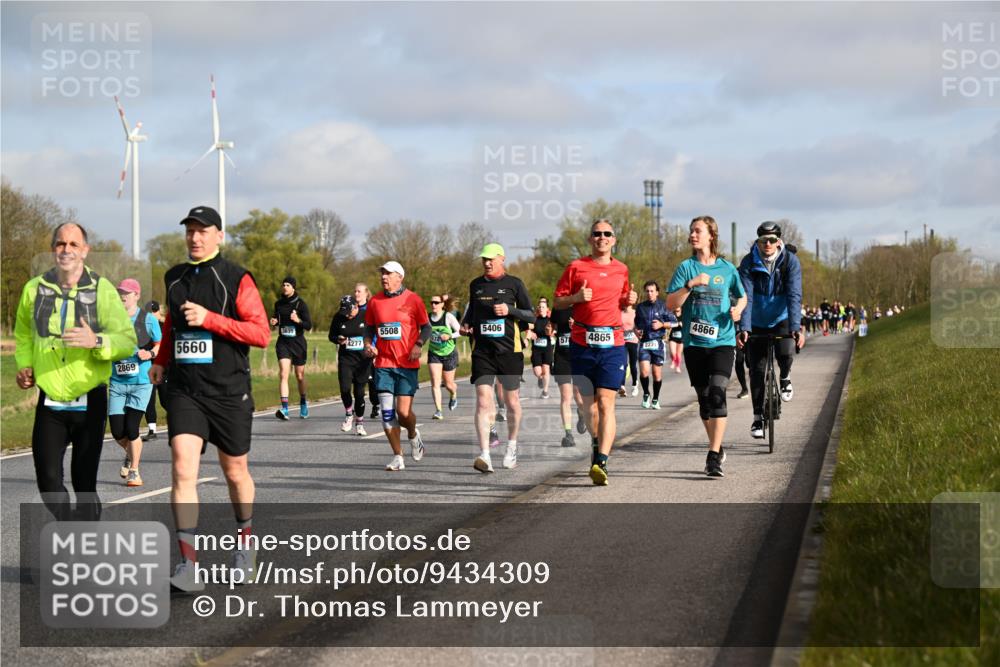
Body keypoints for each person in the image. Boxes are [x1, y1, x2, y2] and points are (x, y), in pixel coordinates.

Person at [150, 205, 270, 592]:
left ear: (219, 235)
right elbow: (171, 326)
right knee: (183, 468)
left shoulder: (236, 277)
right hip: (185, 390)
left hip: (228, 391)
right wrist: (161, 361)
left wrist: (211, 319)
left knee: (235, 472)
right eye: (190, 230)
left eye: (203, 231)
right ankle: (188, 565)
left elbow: (261, 333)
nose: (195, 237)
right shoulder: (174, 277)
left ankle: (245, 547)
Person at [14, 222, 136, 520]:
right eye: (60, 244)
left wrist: (96, 340)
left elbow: (126, 341)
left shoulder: (102, 289)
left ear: (85, 250)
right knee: (49, 483)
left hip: (89, 399)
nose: (66, 250)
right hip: (51, 399)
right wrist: (24, 366)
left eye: (72, 244)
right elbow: (24, 336)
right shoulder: (34, 289)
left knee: (83, 484)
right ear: (53, 248)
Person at [553, 218, 638, 486]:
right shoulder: (576, 267)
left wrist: (629, 300)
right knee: (588, 407)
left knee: (606, 402)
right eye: (597, 233)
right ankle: (597, 441)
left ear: (614, 240)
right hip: (582, 342)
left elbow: (623, 300)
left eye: (607, 234)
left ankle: (601, 461)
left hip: (613, 343)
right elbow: (557, 300)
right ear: (590, 239)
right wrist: (575, 299)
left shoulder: (622, 269)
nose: (602, 237)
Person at [666, 215, 746, 478]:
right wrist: (691, 284)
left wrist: (738, 311)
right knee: (703, 401)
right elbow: (671, 304)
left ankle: (713, 457)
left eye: (697, 231)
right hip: (694, 344)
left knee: (717, 392)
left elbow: (742, 296)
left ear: (711, 235)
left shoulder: (726, 269)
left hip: (722, 340)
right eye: (691, 231)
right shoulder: (685, 268)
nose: (692, 235)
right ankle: (718, 445)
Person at [461, 243, 535, 473]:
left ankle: (511, 447)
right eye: (484, 259)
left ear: (502, 259)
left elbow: (531, 315)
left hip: (509, 352)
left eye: (491, 258)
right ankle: (485, 455)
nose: (487, 262)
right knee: (483, 400)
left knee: (511, 401)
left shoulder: (514, 284)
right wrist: (466, 325)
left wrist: (510, 311)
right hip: (482, 352)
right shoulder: (476, 285)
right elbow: (471, 313)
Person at [736, 221, 805, 440]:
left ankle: (785, 377)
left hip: (781, 317)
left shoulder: (790, 262)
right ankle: (757, 417)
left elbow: (794, 295)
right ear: (757, 241)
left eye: (772, 240)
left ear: (779, 241)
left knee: (785, 352)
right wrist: (744, 328)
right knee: (757, 370)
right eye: (763, 240)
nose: (768, 244)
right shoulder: (748, 263)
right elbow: (745, 296)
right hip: (756, 320)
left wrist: (796, 327)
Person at [363, 261, 429, 471]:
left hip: (406, 364)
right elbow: (369, 330)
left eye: (388, 273)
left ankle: (412, 434)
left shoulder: (413, 299)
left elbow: (426, 327)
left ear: (399, 277)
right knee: (387, 414)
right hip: (383, 364)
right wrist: (367, 344)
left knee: (403, 413)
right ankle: (398, 456)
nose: (384, 277)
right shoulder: (374, 301)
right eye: (382, 273)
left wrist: (418, 344)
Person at [109, 278, 161, 487]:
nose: (122, 296)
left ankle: (134, 471)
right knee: (116, 431)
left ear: (137, 296)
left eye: (127, 293)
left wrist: (149, 353)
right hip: (117, 381)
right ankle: (131, 454)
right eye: (120, 292)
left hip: (141, 381)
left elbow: (160, 344)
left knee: (132, 429)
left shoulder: (149, 320)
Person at [329, 294, 372, 436]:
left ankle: (359, 423)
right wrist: (338, 339)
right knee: (344, 389)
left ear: (356, 307)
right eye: (344, 312)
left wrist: (373, 348)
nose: (346, 315)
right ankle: (349, 414)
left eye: (349, 311)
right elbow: (331, 335)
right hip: (346, 359)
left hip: (363, 360)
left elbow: (374, 333)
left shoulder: (366, 315)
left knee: (359, 393)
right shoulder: (338, 317)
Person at [270, 276, 312, 419]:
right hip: (283, 343)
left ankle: (303, 401)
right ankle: (285, 409)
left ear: (293, 287)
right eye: (283, 284)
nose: (285, 287)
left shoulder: (301, 305)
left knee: (299, 376)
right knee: (283, 374)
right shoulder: (279, 304)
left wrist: (298, 320)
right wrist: (274, 321)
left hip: (298, 343)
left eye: (288, 285)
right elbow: (277, 318)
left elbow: (308, 325)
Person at [634, 280, 671, 410]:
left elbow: (675, 323)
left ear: (657, 292)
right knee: (644, 372)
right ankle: (646, 394)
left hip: (658, 344)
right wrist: (636, 331)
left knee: (656, 374)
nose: (649, 294)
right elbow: (635, 324)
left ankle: (655, 398)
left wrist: (662, 325)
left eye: (652, 291)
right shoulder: (640, 307)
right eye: (647, 291)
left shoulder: (663, 306)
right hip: (644, 343)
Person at [549, 305, 582, 448]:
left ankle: (582, 413)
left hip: (579, 355)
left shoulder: (582, 306)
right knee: (565, 397)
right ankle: (568, 434)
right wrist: (549, 330)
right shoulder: (558, 308)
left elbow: (592, 327)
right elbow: (551, 325)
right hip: (562, 356)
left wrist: (578, 326)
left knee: (579, 396)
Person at [427, 293, 461, 419]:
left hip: (449, 353)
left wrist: (449, 336)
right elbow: (422, 331)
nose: (433, 305)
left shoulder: (448, 317)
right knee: (435, 383)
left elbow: (460, 331)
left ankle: (453, 394)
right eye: (431, 303)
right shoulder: (427, 318)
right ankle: (438, 410)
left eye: (436, 302)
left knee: (448, 384)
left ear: (442, 304)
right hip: (434, 353)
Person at [355, 283, 381, 419]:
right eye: (355, 291)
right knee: (357, 381)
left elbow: (374, 330)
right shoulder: (351, 309)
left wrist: (374, 347)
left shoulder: (371, 308)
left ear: (366, 293)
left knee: (372, 381)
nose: (356, 294)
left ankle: (376, 404)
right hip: (354, 352)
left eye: (359, 291)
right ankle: (357, 407)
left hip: (370, 349)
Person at [142, 300, 166, 440]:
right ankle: (152, 430)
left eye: (154, 310)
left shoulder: (164, 326)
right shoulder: (144, 328)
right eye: (149, 311)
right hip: (149, 368)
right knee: (149, 400)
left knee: (165, 399)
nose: (152, 313)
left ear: (158, 311)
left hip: (164, 369)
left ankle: (180, 424)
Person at [528, 297, 554, 400]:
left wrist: (552, 332)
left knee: (546, 369)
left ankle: (545, 391)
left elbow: (555, 330)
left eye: (543, 307)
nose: (541, 308)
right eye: (540, 307)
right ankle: (540, 378)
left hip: (547, 347)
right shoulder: (534, 319)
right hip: (536, 348)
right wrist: (531, 333)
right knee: (537, 371)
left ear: (547, 308)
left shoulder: (550, 320)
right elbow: (527, 328)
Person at [620, 302, 639, 397]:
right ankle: (622, 386)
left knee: (633, 365)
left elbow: (638, 326)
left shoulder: (635, 313)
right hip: (622, 341)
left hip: (633, 341)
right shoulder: (620, 313)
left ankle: (635, 385)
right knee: (623, 364)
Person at [668, 305, 684, 373]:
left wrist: (682, 324)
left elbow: (686, 325)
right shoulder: (672, 316)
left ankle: (677, 366)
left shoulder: (684, 316)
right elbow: (668, 324)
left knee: (678, 354)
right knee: (672, 352)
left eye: (678, 308)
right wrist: (677, 324)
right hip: (673, 337)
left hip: (681, 337)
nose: (676, 311)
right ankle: (673, 361)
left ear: (680, 308)